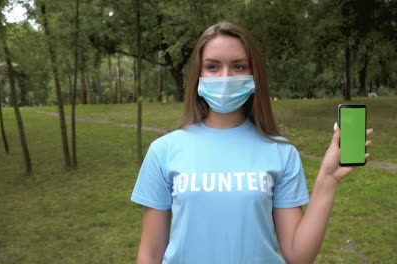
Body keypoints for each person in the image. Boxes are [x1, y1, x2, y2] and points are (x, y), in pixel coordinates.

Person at [131, 21, 373, 264]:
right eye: (213, 67)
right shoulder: (163, 151)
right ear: (198, 75)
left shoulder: (282, 153)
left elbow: (298, 256)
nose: (225, 77)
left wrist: (327, 180)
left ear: (253, 74)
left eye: (238, 66)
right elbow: (150, 253)